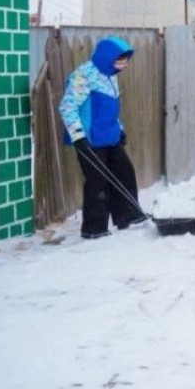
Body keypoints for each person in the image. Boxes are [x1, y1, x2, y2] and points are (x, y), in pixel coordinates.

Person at [59, 36, 149, 239]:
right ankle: (94, 228)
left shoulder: (111, 75)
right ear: (107, 57)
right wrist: (78, 137)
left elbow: (109, 108)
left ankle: (128, 215)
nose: (123, 66)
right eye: (120, 61)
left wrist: (120, 128)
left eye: (126, 61)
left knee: (125, 171)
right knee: (97, 181)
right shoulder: (83, 75)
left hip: (110, 135)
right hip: (89, 137)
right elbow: (67, 107)